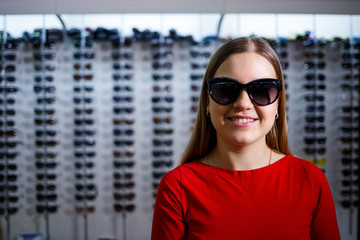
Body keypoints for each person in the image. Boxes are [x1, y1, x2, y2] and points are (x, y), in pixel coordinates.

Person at [151, 37, 341, 240]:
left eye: (261, 90)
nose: (243, 103)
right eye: (226, 89)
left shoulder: (309, 180)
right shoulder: (177, 187)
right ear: (207, 103)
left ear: (277, 105)